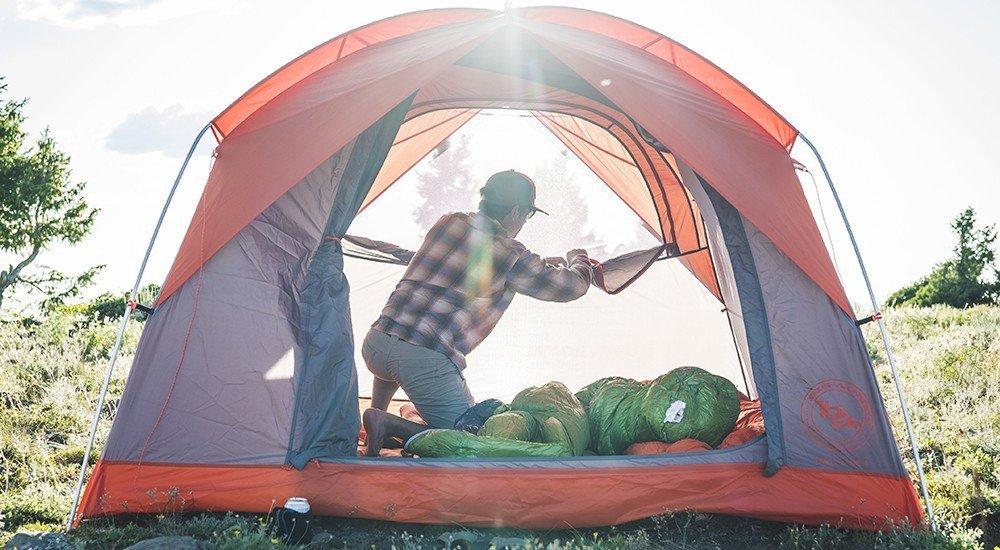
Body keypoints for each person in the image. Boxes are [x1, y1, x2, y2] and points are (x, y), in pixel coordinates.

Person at [361, 170, 595, 456]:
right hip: (423, 356)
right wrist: (579, 259)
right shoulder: (510, 254)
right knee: (470, 439)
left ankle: (375, 416)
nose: (523, 222)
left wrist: (544, 264)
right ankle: (385, 423)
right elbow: (571, 287)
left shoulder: (449, 222)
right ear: (514, 211)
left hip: (377, 343)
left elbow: (472, 265)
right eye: (526, 215)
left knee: (400, 357)